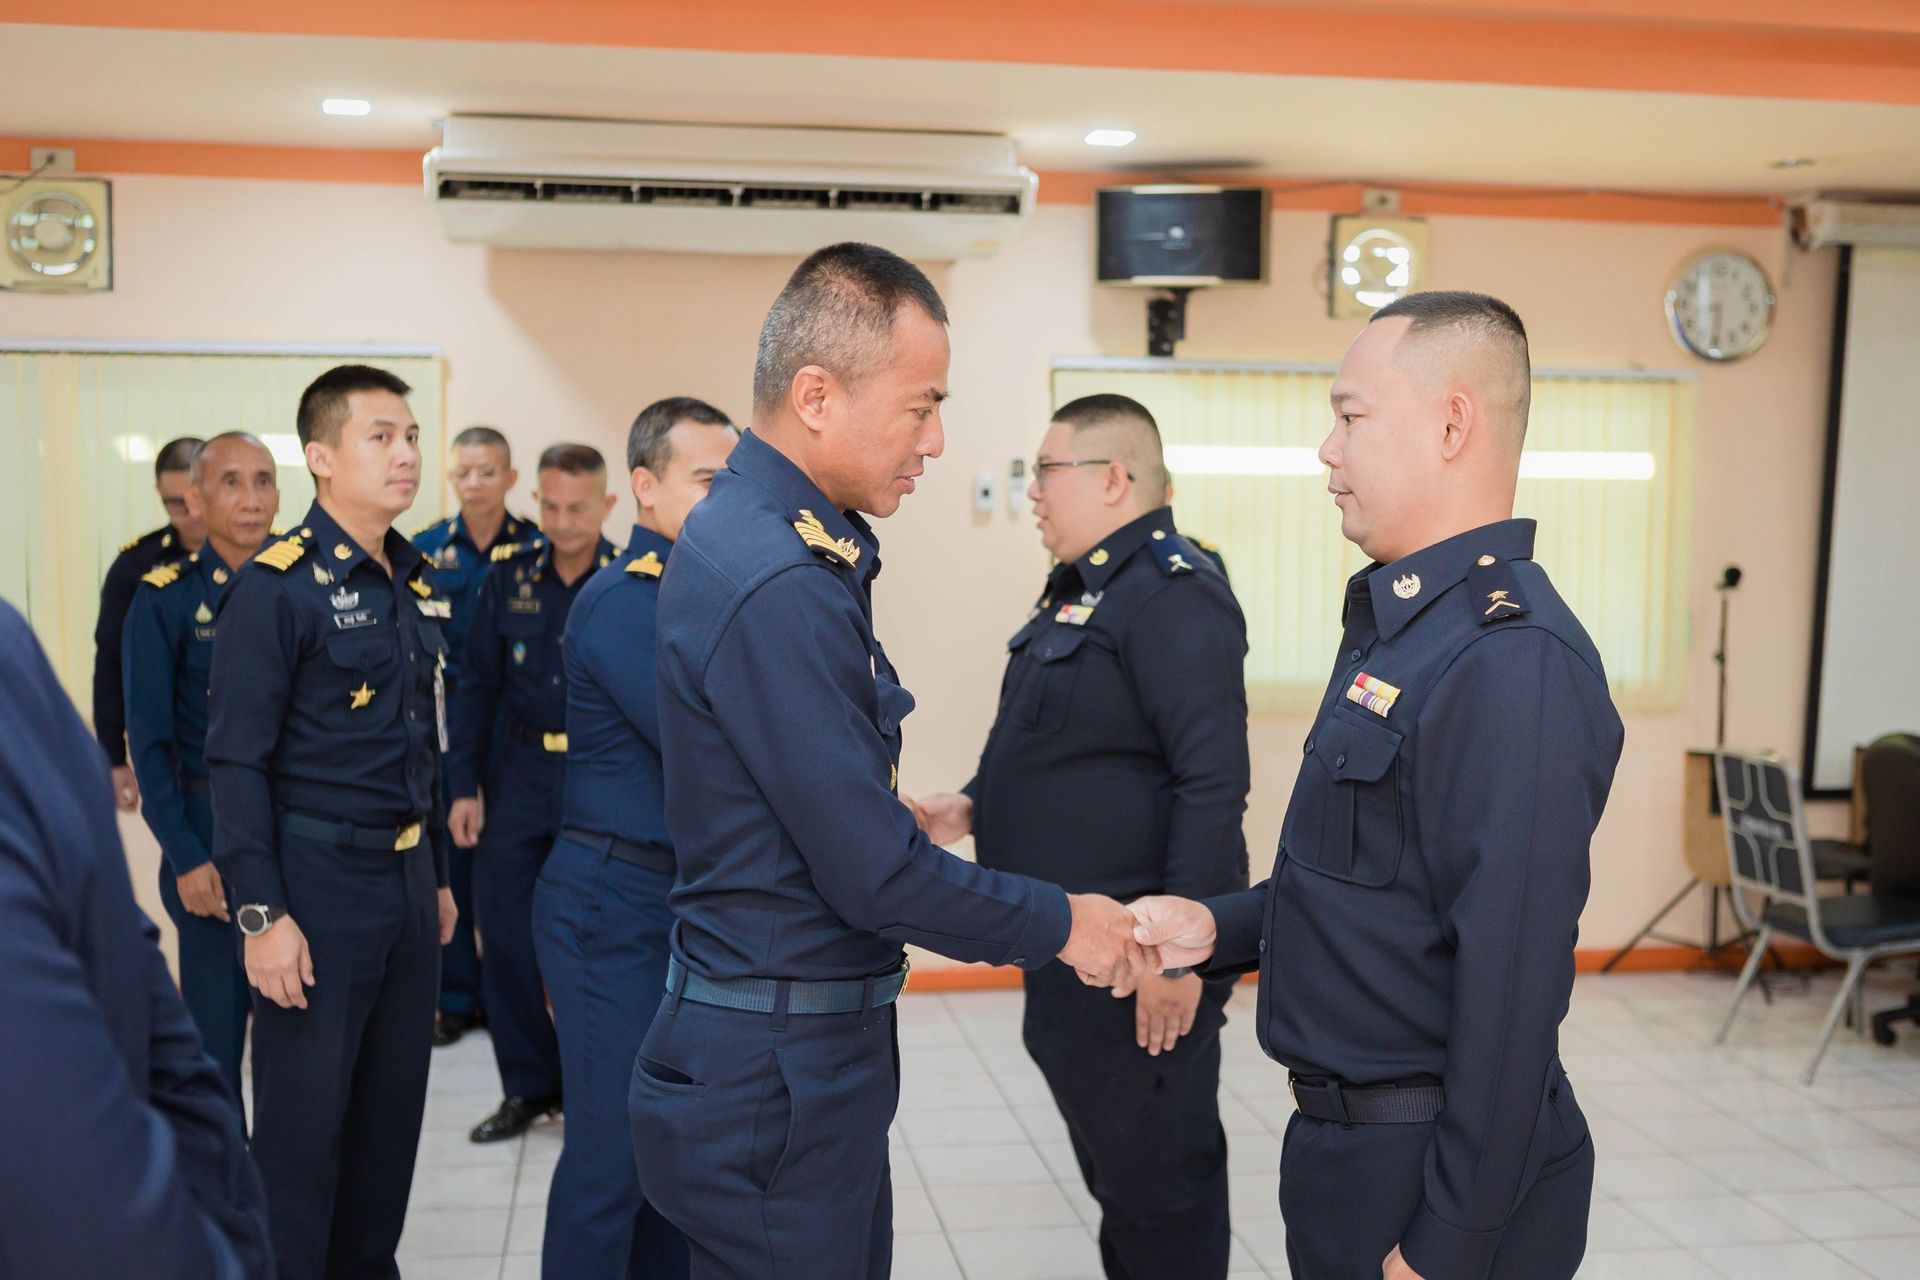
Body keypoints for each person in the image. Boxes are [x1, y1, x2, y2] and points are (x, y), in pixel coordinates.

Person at [630, 242, 1152, 1280]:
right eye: (921, 406)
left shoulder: (776, 538)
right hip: (775, 1072)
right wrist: (1068, 923)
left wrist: (866, 810)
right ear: (816, 396)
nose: (937, 439)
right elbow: (873, 876)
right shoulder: (776, 572)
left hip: (793, 1051)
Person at [1131, 292, 1624, 1280]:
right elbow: (1373, 891)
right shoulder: (1406, 630)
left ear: (1452, 424)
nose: (1327, 450)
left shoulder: (1509, 658)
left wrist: (1450, 1243)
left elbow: (1513, 984)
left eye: (1351, 416)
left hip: (1431, 1169)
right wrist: (1215, 927)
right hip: (1350, 1153)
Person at [913, 393, 1249, 1280]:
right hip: (1073, 949)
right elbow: (1064, 747)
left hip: (1137, 960)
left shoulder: (1174, 595)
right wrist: (970, 806)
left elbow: (1212, 783)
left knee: (1161, 1192)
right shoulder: (1081, 589)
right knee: (1120, 1180)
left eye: (1046, 472)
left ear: (1112, 479)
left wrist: (1179, 963)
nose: (1032, 492)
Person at [207, 364, 459, 1280]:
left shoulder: (410, 578)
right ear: (320, 457)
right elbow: (235, 763)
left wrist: (434, 877)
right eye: (380, 437)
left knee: (388, 1131)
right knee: (301, 1142)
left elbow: (419, 746)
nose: (406, 455)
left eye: (411, 436)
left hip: (404, 885)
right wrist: (261, 916)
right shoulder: (276, 588)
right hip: (315, 889)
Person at [0, 598, 272, 1280]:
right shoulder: (158, 597)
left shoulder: (10, 652)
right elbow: (74, 1193)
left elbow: (155, 1025)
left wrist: (233, 1235)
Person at [534, 396, 738, 1280]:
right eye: (707, 480)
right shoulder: (625, 601)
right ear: (646, 487)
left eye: (735, 480)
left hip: (676, 904)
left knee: (669, 1157)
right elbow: (711, 742)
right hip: (609, 907)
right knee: (611, 1157)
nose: (729, 499)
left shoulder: (704, 590)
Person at [448, 443, 619, 1142]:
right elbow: (474, 686)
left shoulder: (630, 582)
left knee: (598, 941)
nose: (563, 521)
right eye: (551, 506)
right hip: (517, 775)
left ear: (608, 505)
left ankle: (595, 1093)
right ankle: (528, 1087)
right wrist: (463, 787)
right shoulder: (507, 578)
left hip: (598, 780)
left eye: (578, 507)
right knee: (506, 935)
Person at [123, 431, 280, 1097]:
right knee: (217, 1042)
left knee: (294, 1044)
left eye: (264, 480)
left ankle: (284, 1167)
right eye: (231, 483)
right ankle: (221, 1165)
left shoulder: (304, 587)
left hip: (293, 834)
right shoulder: (164, 599)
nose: (252, 499)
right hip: (206, 835)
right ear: (195, 498)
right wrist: (185, 856)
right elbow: (150, 745)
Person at [415, 425, 533, 1045]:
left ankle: (506, 996)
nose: (475, 483)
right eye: (464, 472)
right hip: (448, 723)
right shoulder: (426, 550)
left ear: (510, 478)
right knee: (451, 861)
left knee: (511, 867)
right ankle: (457, 996)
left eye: (487, 472)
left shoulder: (537, 548)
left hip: (518, 727)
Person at [95, 434, 205, 810]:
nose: (191, 514)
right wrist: (113, 756)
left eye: (197, 497)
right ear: (158, 492)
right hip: (175, 758)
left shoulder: (265, 557)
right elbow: (110, 662)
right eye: (176, 503)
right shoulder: (135, 567)